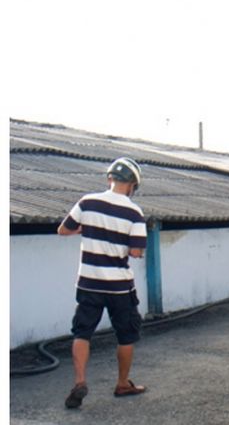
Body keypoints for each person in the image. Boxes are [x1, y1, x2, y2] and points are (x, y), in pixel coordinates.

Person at [58, 157, 148, 409]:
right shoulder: (134, 212)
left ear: (110, 178)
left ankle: (79, 381)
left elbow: (63, 230)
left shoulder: (87, 202)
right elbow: (136, 252)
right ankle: (122, 384)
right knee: (126, 335)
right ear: (133, 185)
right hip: (119, 286)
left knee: (82, 332)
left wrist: (84, 230)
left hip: (89, 283)